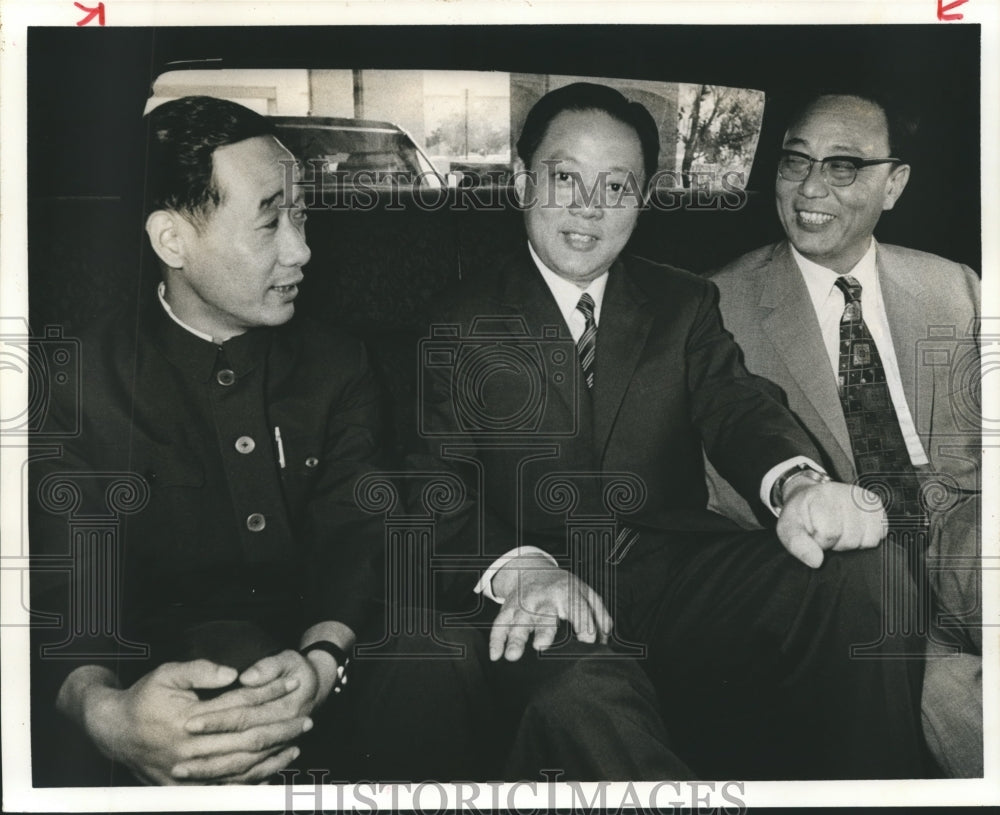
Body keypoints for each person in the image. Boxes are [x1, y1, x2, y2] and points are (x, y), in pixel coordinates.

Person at [414, 82, 929, 780]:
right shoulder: (455, 320)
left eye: (617, 186)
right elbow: (432, 486)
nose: (589, 207)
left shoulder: (682, 301)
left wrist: (800, 483)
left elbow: (739, 406)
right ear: (520, 181)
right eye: (565, 178)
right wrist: (522, 568)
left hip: (675, 573)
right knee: (575, 693)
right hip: (542, 587)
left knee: (869, 575)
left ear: (642, 199)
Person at [29, 96, 487, 786]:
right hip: (163, 684)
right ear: (172, 241)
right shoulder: (75, 384)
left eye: (301, 213)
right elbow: (68, 588)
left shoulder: (338, 362)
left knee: (439, 655)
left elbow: (357, 532)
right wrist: (107, 713)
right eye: (271, 219)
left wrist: (324, 657)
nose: (302, 247)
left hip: (328, 663)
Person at [708, 92, 982, 777]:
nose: (809, 188)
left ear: (894, 184)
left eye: (843, 167)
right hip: (844, 576)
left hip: (961, 537)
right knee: (960, 703)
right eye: (796, 161)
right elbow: (723, 496)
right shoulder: (712, 308)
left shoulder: (958, 288)